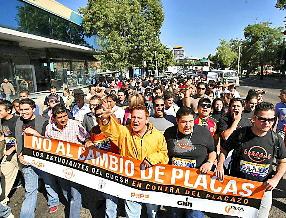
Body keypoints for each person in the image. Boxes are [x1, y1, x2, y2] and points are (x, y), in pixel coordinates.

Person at [216, 102, 286, 218]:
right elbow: (224, 150)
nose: (267, 123)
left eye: (271, 119)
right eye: (263, 119)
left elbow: (283, 161)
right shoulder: (240, 134)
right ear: (254, 118)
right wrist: (220, 165)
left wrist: (275, 179)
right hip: (237, 187)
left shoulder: (276, 138)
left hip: (263, 189)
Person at [98, 104, 169, 218]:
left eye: (139, 118)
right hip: (131, 181)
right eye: (133, 117)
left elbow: (164, 155)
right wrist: (105, 119)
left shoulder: (157, 136)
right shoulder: (125, 131)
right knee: (132, 213)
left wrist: (150, 159)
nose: (135, 121)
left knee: (152, 213)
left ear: (147, 120)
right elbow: (110, 130)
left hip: (150, 182)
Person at [164, 107, 216, 218]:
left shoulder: (204, 133)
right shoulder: (169, 133)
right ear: (177, 121)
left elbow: (212, 152)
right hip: (175, 185)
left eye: (190, 121)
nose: (188, 125)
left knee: (194, 215)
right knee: (175, 214)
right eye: (183, 122)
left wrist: (209, 162)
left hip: (197, 185)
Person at [15, 98, 59, 217]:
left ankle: (53, 201)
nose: (23, 112)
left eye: (26, 109)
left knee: (49, 182)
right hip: (26, 160)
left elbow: (51, 143)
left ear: (33, 109)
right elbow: (18, 141)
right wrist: (19, 155)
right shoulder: (18, 122)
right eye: (21, 110)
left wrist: (36, 134)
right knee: (30, 190)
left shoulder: (44, 121)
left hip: (42, 160)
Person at [45, 104, 89, 218]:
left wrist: (88, 143)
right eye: (60, 117)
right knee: (65, 191)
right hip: (60, 167)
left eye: (65, 116)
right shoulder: (49, 128)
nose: (63, 119)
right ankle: (75, 203)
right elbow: (47, 145)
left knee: (75, 192)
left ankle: (74, 213)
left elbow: (86, 138)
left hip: (75, 165)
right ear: (54, 118)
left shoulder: (75, 125)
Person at [0, 100, 19, 204]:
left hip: (19, 154)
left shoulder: (17, 121)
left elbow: (21, 139)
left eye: (0, 110)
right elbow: (7, 135)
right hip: (9, 155)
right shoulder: (3, 120)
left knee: (35, 174)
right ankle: (2, 201)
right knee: (5, 176)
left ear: (8, 110)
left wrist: (12, 149)